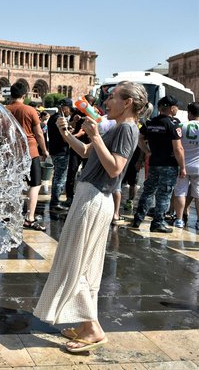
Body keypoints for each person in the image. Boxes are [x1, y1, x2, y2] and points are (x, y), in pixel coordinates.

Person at [34, 81, 150, 353]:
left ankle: (92, 328)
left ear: (128, 103)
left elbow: (115, 169)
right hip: (90, 195)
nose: (106, 101)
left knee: (79, 262)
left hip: (95, 197)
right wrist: (67, 135)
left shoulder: (127, 128)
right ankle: (86, 323)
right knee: (80, 262)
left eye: (112, 97)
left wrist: (96, 136)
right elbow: (87, 153)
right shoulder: (117, 127)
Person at [131, 95, 186, 233]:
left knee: (148, 191)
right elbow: (178, 148)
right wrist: (183, 167)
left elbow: (139, 138)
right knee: (164, 194)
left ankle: (138, 219)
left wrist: (147, 151)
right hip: (168, 164)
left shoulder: (150, 122)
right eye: (176, 107)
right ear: (172, 108)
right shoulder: (173, 124)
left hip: (154, 163)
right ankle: (158, 223)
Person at [6, 82, 49, 230]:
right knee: (35, 184)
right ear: (24, 95)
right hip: (30, 152)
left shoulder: (4, 110)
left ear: (11, 94)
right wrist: (44, 150)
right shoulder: (30, 110)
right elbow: (38, 133)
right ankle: (29, 218)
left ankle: (12, 214)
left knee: (14, 184)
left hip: (12, 153)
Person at [172, 102, 199, 229]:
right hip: (198, 167)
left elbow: (176, 147)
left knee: (180, 192)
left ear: (189, 113)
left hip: (182, 165)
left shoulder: (180, 126)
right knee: (198, 195)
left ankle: (179, 219)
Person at [47, 99, 73, 211]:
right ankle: (55, 202)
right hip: (61, 152)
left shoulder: (53, 118)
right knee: (60, 177)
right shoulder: (60, 119)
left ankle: (54, 200)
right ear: (65, 107)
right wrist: (76, 133)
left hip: (54, 150)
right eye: (69, 109)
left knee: (57, 176)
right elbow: (65, 137)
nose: (70, 112)